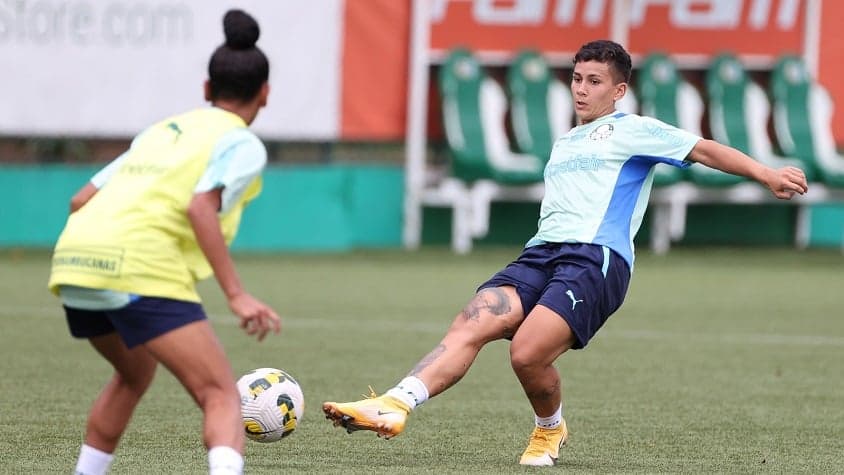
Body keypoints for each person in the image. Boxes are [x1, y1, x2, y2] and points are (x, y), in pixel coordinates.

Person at [322, 40, 808, 466]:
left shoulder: (633, 129)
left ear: (618, 91)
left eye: (594, 81)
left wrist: (765, 174)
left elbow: (702, 149)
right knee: (471, 322)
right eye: (576, 78)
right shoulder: (564, 142)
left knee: (526, 354)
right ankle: (395, 402)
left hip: (595, 261)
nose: (581, 89)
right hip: (540, 255)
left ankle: (549, 426)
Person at [47, 10, 280, 475]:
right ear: (265, 94)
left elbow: (80, 200)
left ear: (206, 91)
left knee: (134, 373)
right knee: (220, 396)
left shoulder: (162, 132)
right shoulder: (241, 143)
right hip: (139, 265)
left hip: (74, 262)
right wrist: (236, 295)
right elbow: (200, 208)